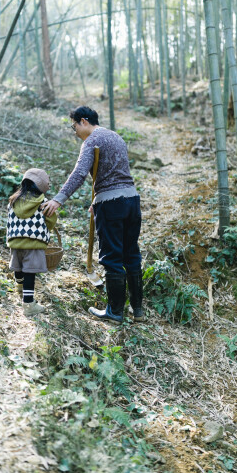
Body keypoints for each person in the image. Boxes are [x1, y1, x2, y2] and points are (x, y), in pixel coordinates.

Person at [43, 106, 143, 324]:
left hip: (112, 205)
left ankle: (115, 312)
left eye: (74, 126)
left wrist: (58, 199)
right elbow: (115, 174)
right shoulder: (116, 136)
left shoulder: (91, 141)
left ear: (84, 121)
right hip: (132, 201)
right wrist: (98, 199)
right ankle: (138, 311)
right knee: (131, 254)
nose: (75, 132)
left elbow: (79, 173)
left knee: (112, 256)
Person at [7, 168, 57, 317]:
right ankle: (28, 304)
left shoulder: (13, 201)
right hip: (34, 243)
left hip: (15, 242)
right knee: (30, 272)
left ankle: (19, 286)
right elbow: (50, 221)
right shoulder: (42, 202)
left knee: (18, 266)